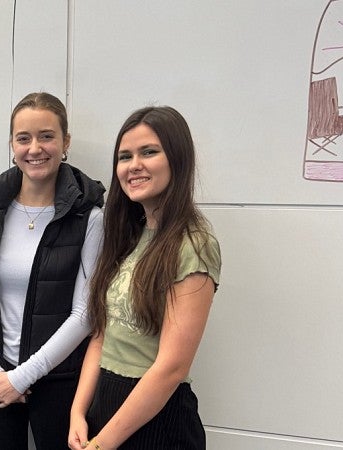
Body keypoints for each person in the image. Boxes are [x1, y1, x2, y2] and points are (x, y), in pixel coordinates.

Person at [0, 92, 106, 449]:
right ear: (12, 145)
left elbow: (85, 314)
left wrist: (22, 377)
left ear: (65, 142)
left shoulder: (90, 218)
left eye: (46, 136)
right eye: (23, 138)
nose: (34, 148)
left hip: (59, 382)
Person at [68, 106, 222, 450]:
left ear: (177, 159)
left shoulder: (194, 244)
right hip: (104, 410)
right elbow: (102, 336)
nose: (133, 165)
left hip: (157, 423)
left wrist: (102, 444)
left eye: (148, 152)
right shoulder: (128, 236)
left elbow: (171, 368)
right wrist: (78, 412)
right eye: (125, 156)